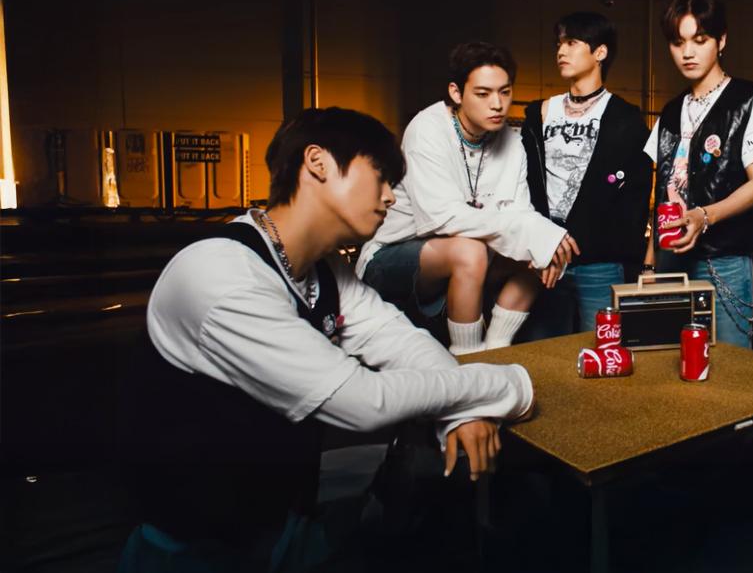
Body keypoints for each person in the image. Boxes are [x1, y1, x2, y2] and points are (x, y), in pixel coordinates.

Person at [121, 107, 534, 571]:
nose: (390, 197)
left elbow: (403, 342)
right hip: (192, 550)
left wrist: (460, 413)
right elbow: (363, 402)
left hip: (282, 520)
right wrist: (509, 385)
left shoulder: (325, 271)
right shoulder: (219, 273)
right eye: (380, 176)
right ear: (317, 162)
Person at [356, 42, 580, 354]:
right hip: (393, 256)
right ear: (457, 93)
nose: (497, 104)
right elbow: (443, 218)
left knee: (539, 255)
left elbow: (520, 212)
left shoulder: (513, 142)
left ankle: (496, 349)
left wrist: (544, 242)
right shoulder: (427, 129)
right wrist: (534, 233)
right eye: (483, 94)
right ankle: (467, 358)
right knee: (471, 250)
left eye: (505, 92)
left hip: (471, 256)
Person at [642, 0, 753, 347]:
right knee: (669, 357)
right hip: (670, 257)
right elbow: (662, 190)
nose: (687, 52)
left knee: (730, 363)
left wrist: (703, 216)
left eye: (700, 40)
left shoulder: (751, 100)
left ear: (721, 41)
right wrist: (649, 263)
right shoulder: (671, 111)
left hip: (725, 259)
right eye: (678, 43)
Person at [520, 11, 652, 337]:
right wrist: (543, 241)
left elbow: (631, 198)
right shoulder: (540, 113)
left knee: (603, 351)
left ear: (600, 52)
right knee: (544, 355)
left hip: (599, 262)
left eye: (572, 43)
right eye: (559, 44)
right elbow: (525, 184)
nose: (561, 51)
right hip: (543, 258)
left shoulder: (625, 119)